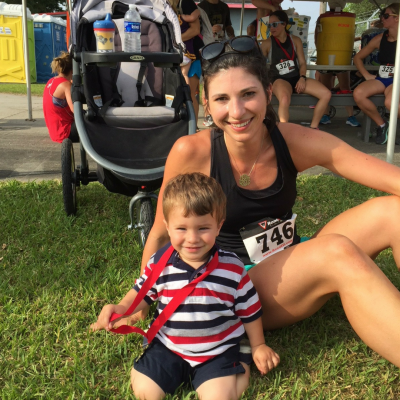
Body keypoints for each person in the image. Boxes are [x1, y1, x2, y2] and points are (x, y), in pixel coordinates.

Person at [129, 36, 400, 369]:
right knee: (337, 252)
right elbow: (159, 233)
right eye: (222, 99)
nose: (237, 111)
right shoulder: (192, 152)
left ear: (269, 93)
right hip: (232, 287)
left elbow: (390, 178)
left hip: (288, 262)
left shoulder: (292, 140)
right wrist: (142, 300)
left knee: (395, 212)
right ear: (207, 104)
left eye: (248, 94)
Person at [91, 173, 280, 399]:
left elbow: (249, 310)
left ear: (219, 226)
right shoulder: (159, 264)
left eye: (203, 228)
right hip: (168, 346)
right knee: (144, 390)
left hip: (217, 351)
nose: (192, 238)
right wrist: (122, 307)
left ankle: (240, 363)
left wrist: (258, 345)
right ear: (167, 227)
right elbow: (142, 292)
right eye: (182, 229)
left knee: (220, 396)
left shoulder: (233, 268)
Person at [261, 11, 331, 129]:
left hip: (297, 77)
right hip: (279, 79)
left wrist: (302, 78)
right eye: (269, 25)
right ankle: (286, 131)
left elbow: (303, 63)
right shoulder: (267, 43)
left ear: (284, 24)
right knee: (284, 98)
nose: (271, 28)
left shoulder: (295, 40)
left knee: (326, 94)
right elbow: (260, 65)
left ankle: (314, 127)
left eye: (274, 24)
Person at [353, 3, 399, 144]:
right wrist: (366, 75)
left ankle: (394, 127)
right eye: (381, 16)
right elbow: (357, 58)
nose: (382, 19)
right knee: (358, 93)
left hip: (397, 80)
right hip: (383, 78)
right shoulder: (379, 39)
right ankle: (382, 125)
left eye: (386, 16)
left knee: (390, 102)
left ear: (397, 18)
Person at [314, 2, 361, 128]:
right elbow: (317, 35)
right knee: (339, 88)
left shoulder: (325, 17)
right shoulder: (324, 18)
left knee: (335, 88)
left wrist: (320, 51)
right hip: (334, 56)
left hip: (336, 56)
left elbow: (316, 35)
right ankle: (343, 116)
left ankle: (331, 115)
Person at [171, 0, 202, 123]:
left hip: (190, 55)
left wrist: (173, 40)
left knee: (189, 94)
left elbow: (195, 30)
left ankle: (192, 124)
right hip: (183, 56)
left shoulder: (186, 3)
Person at [43, 52, 78, 143]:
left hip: (54, 132)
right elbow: (76, 110)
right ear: (72, 71)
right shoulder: (66, 85)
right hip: (65, 131)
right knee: (93, 125)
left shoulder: (50, 81)